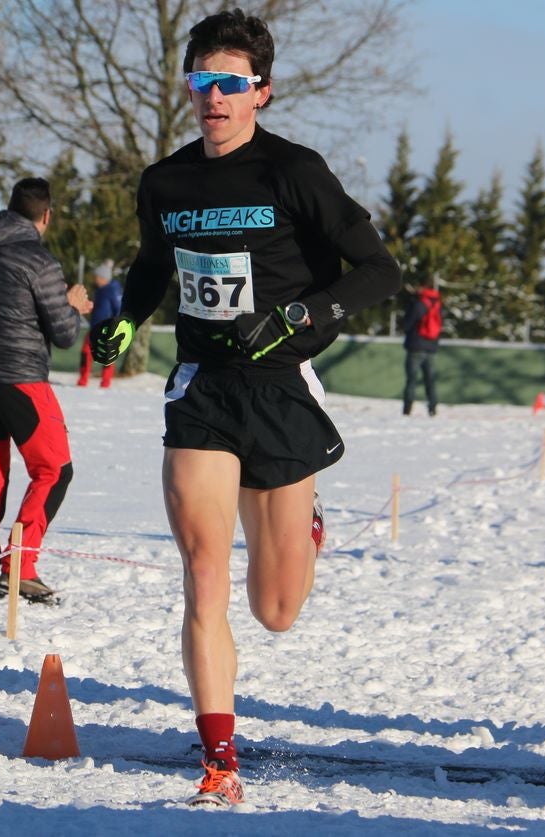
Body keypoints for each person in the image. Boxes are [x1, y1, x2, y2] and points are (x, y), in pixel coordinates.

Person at [87, 8, 400, 806]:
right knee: (202, 572)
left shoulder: (294, 172)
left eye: (231, 83)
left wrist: (300, 317)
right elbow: (155, 266)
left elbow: (376, 272)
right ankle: (220, 757)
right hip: (202, 388)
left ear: (261, 90)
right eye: (202, 81)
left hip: (282, 388)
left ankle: (307, 524)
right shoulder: (166, 181)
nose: (214, 98)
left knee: (277, 608)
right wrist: (124, 315)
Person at [0, 178, 92, 603]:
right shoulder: (39, 262)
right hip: (21, 382)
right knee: (54, 471)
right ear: (46, 216)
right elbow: (66, 335)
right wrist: (73, 305)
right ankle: (20, 567)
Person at [77, 259, 123, 388]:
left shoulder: (113, 290)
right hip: (94, 327)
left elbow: (118, 308)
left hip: (107, 328)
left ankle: (106, 382)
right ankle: (83, 380)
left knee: (107, 355)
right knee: (86, 353)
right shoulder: (100, 291)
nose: (95, 279)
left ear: (103, 278)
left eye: (97, 277)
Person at [401, 275, 441, 416]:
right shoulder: (436, 302)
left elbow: (407, 324)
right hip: (431, 346)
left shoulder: (419, 303)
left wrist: (411, 302)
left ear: (422, 286)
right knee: (430, 379)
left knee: (411, 379)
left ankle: (407, 409)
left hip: (416, 345)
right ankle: (433, 407)